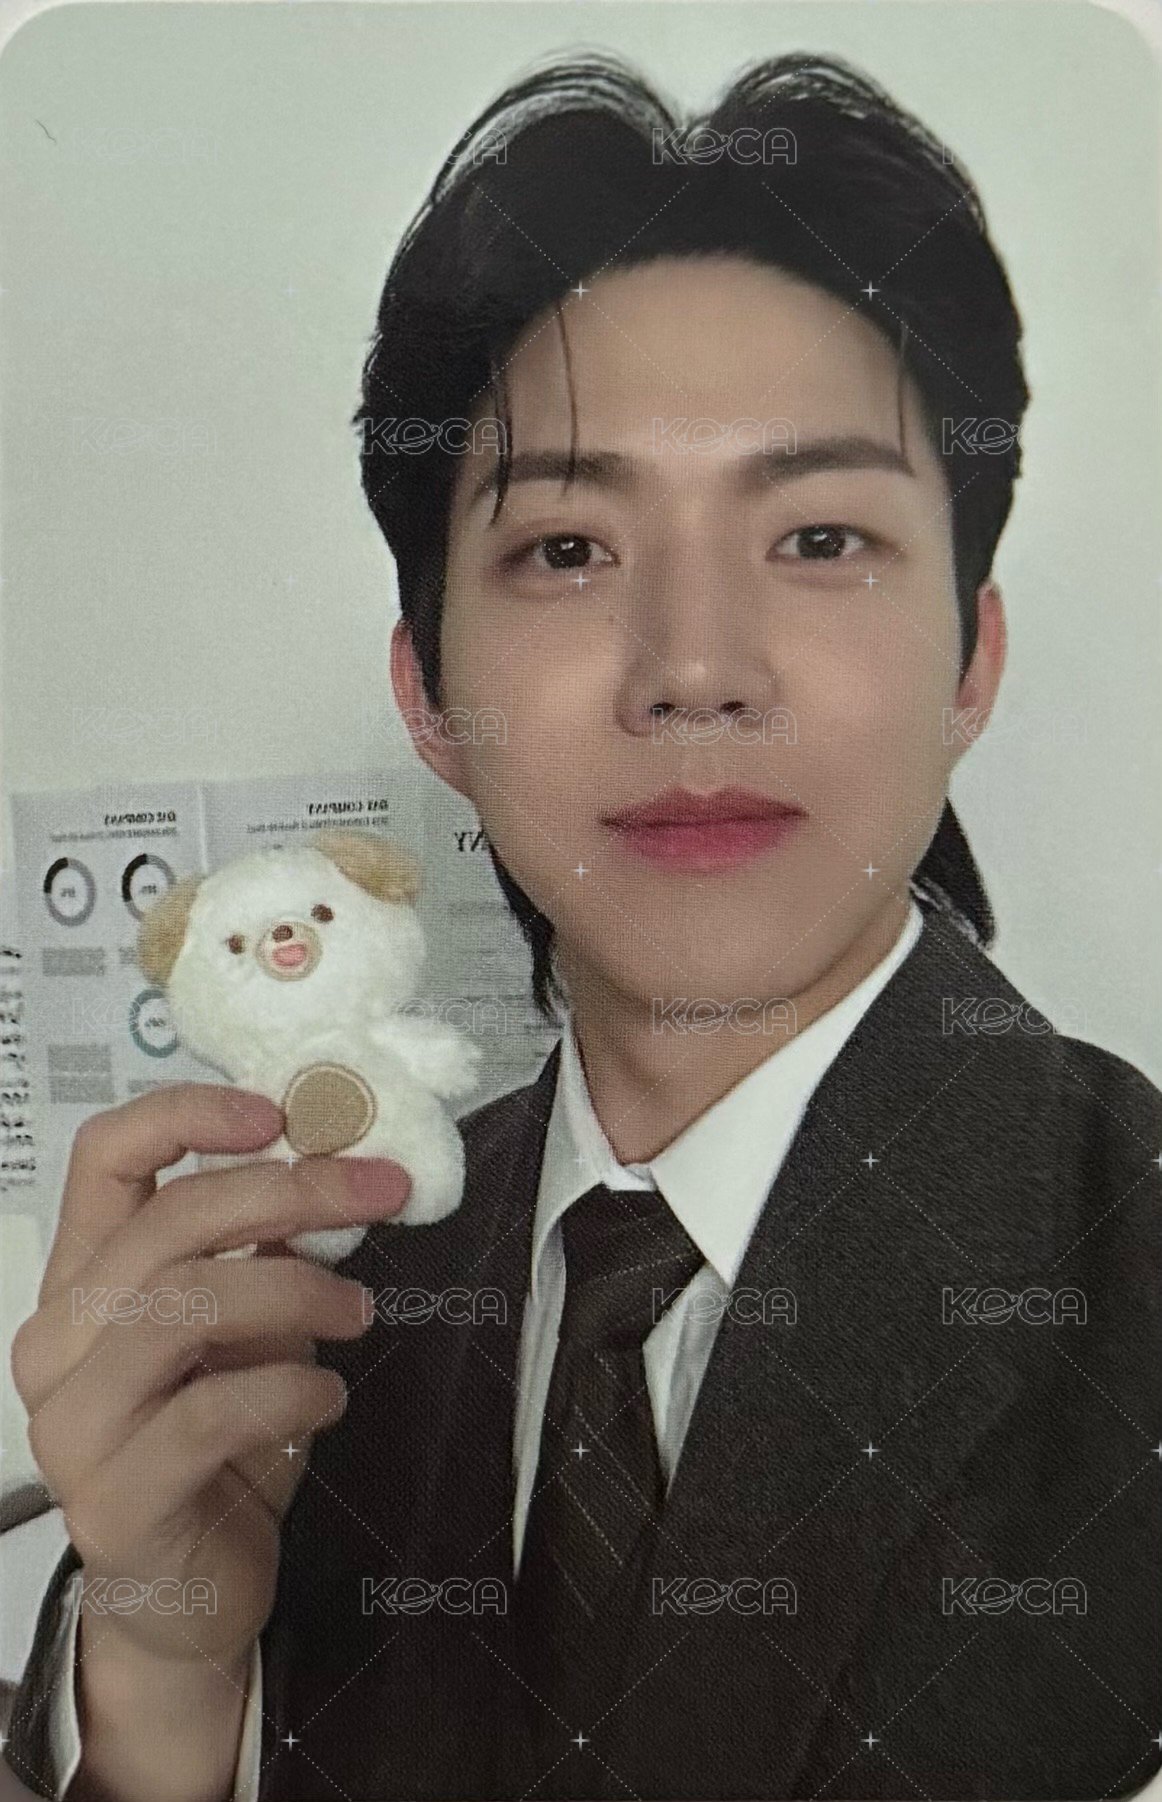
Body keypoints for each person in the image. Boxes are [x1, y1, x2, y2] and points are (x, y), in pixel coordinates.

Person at [6, 47, 1161, 1802]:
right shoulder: (315, 1289)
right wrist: (173, 1678)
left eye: (818, 534)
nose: (693, 667)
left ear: (969, 662)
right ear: (430, 692)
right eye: (565, 549)